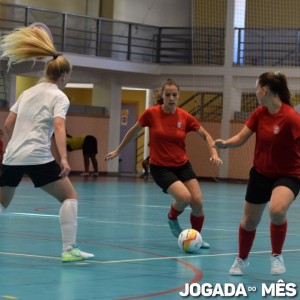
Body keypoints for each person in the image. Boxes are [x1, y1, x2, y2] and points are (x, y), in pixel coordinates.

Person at [0, 25, 94, 262]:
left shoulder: (28, 93)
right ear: (64, 75)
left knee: (1, 203)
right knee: (69, 197)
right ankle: (69, 250)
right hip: (39, 156)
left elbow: (7, 125)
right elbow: (60, 126)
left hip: (12, 156)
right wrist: (63, 158)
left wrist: (16, 146)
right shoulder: (59, 96)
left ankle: (70, 250)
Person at [105, 79, 223, 248]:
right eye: (168, 94)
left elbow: (206, 135)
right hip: (160, 168)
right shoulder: (151, 114)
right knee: (184, 197)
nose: (171, 98)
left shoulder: (185, 117)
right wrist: (117, 150)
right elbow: (132, 132)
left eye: (174, 94)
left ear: (178, 96)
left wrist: (214, 153)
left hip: (182, 165)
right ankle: (172, 218)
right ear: (163, 95)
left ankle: (196, 238)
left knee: (197, 202)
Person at [214, 71, 300, 275]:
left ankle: (277, 256)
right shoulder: (259, 113)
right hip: (261, 173)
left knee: (277, 210)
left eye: (255, 89)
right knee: (249, 221)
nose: (255, 93)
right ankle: (241, 259)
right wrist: (225, 144)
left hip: (288, 174)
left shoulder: (290, 118)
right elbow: (242, 137)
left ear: (265, 90)